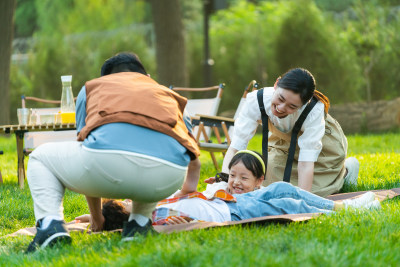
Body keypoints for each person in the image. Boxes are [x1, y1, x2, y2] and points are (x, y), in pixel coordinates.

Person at [25, 52, 201, 252]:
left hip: (106, 166)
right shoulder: (168, 95)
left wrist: (97, 217)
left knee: (39, 157)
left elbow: (86, 144)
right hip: (168, 177)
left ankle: (51, 226)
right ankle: (139, 225)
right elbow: (191, 154)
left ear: (105, 78)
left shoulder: (93, 88)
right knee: (150, 150)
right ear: (147, 77)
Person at [92, 150, 379, 227]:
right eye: (125, 203)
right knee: (286, 200)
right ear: (128, 212)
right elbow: (109, 218)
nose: (129, 200)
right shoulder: (154, 218)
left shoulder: (153, 203)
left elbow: (97, 218)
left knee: (282, 192)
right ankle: (346, 209)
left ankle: (342, 208)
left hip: (227, 204)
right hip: (230, 212)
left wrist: (90, 219)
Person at [219, 68, 359, 198]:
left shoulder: (313, 112)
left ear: (304, 103)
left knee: (310, 192)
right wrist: (223, 184)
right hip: (283, 141)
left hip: (324, 147)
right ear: (276, 84)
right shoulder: (256, 100)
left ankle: (346, 171)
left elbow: (305, 164)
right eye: (280, 99)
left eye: (292, 106)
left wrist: (301, 201)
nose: (280, 108)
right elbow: (236, 147)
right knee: (268, 182)